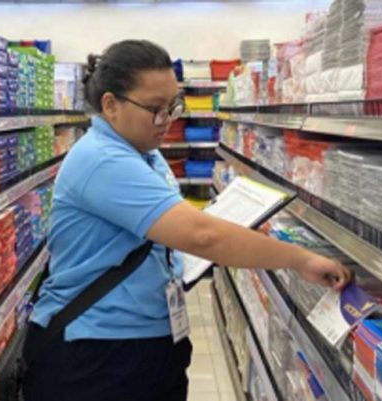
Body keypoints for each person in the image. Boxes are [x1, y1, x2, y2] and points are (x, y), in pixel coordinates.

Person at [22, 39, 352, 401]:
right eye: (154, 109)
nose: (167, 121)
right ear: (110, 105)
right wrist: (300, 259)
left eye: (172, 107)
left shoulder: (144, 152)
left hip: (143, 339)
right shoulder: (103, 159)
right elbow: (202, 236)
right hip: (96, 350)